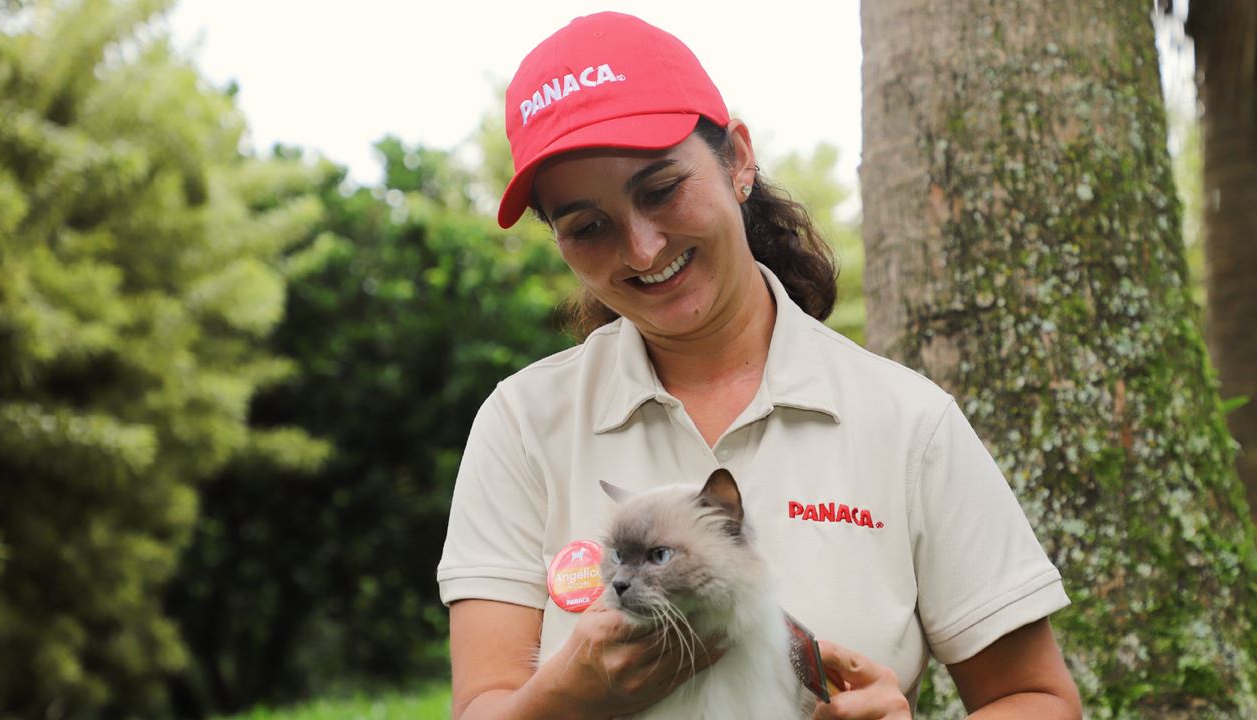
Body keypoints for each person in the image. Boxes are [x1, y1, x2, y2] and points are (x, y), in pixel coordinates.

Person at [437, 11, 1081, 720]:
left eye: (660, 190)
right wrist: (571, 694)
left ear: (738, 159)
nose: (644, 249)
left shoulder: (907, 422)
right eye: (589, 227)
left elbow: (1038, 699)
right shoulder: (523, 423)